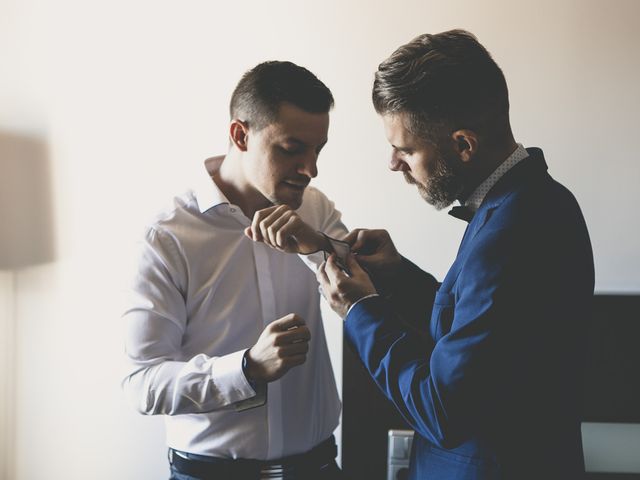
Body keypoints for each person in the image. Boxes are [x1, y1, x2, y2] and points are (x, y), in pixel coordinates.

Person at [252, 30, 595, 479]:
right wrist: (396, 275)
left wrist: (360, 310)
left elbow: (443, 411)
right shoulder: (530, 204)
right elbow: (481, 334)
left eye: (405, 149)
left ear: (464, 145)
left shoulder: (514, 230)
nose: (394, 164)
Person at [121, 60, 348, 480]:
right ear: (240, 135)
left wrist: (318, 246)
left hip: (318, 468)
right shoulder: (168, 235)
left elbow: (363, 293)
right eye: (291, 148)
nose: (310, 168)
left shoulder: (315, 209)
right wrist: (246, 369)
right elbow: (143, 381)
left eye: (318, 150)